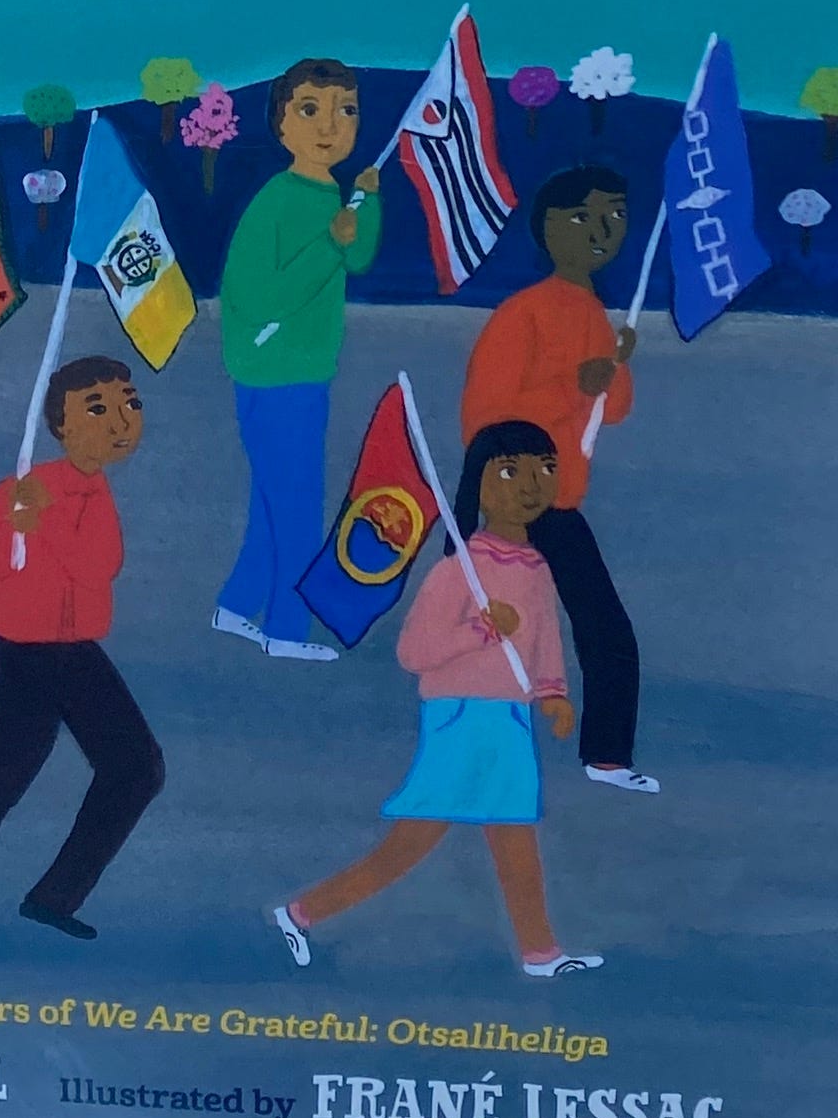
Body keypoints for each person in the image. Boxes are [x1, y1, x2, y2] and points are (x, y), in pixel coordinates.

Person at [270, 420, 600, 978]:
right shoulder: (457, 571)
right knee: (407, 847)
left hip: (510, 724)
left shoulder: (539, 570)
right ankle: (301, 913)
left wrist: (553, 694)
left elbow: (546, 640)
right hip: (460, 720)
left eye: (545, 469)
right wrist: (480, 631)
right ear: (480, 486)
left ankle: (541, 953)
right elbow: (413, 652)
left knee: (517, 843)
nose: (531, 484)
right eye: (511, 471)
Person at [0, 355, 165, 940]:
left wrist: (45, 526)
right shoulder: (27, 485)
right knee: (118, 765)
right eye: (98, 408)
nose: (120, 420)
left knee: (97, 767)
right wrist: (15, 522)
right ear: (60, 424)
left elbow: (100, 568)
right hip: (25, 648)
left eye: (129, 405)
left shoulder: (93, 493)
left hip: (73, 648)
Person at [460, 164, 657, 794]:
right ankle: (466, 762)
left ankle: (607, 756)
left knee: (606, 631)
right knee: (487, 640)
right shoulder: (524, 314)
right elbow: (486, 421)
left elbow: (615, 409)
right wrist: (574, 384)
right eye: (583, 217)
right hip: (504, 509)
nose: (602, 230)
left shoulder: (593, 311)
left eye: (615, 215)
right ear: (547, 229)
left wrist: (612, 370)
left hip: (559, 504)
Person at [213, 58, 384, 661]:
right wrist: (330, 244)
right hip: (276, 375)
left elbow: (357, 259)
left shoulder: (329, 193)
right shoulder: (276, 200)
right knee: (296, 504)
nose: (330, 126)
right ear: (281, 124)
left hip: (304, 371)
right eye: (310, 109)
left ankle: (237, 606)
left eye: (346, 110)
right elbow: (265, 297)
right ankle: (286, 630)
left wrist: (365, 204)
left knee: (270, 499)